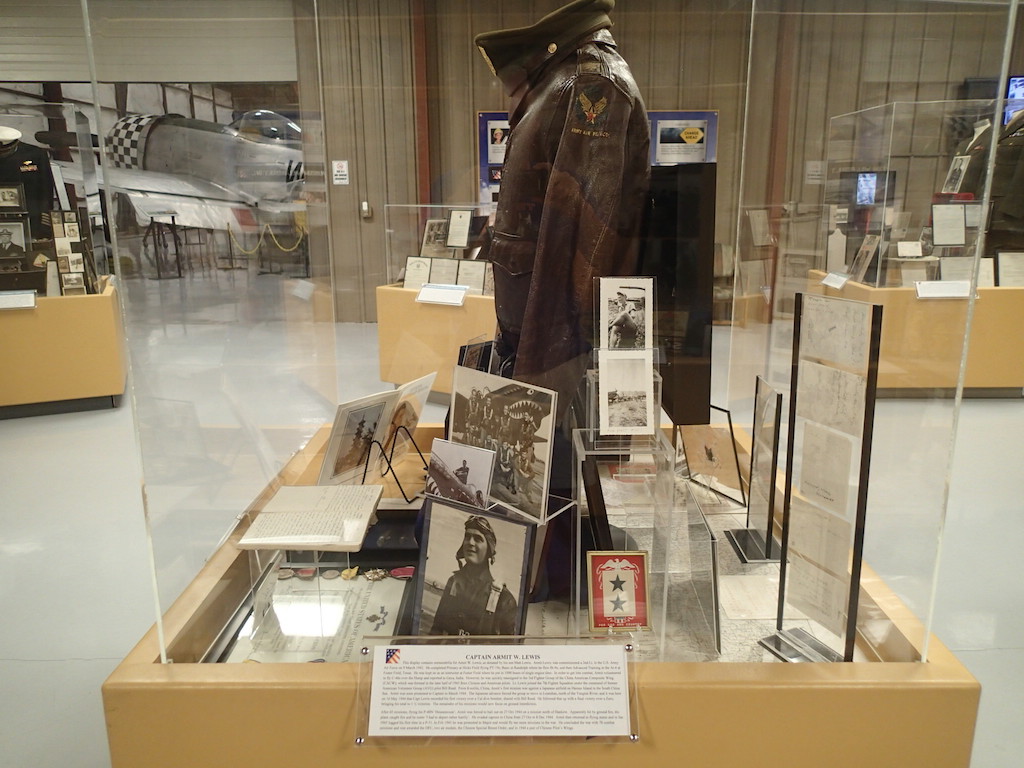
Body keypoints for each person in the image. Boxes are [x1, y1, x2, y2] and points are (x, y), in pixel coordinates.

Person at [430, 515, 518, 635]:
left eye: (478, 539)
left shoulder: (505, 600)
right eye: (467, 537)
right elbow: (436, 630)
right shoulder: (454, 582)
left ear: (489, 549)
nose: (470, 542)